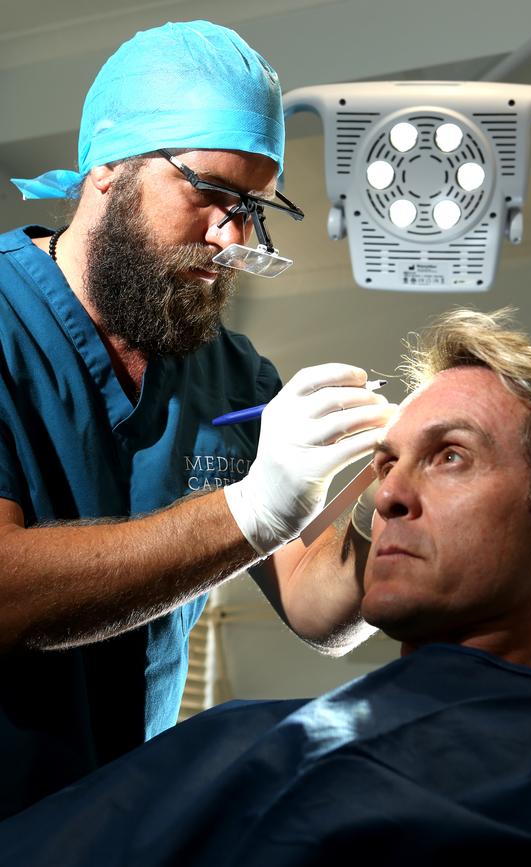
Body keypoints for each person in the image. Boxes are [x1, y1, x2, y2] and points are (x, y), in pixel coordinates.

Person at [1, 307, 531, 865]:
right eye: (386, 463)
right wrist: (252, 507)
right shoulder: (234, 755)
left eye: (449, 455)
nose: (388, 493)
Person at [0, 21, 395, 819]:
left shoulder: (230, 374)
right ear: (108, 166)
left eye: (252, 206)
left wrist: (391, 493)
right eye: (210, 193)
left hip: (117, 819)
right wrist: (250, 510)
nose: (232, 237)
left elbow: (319, 609)